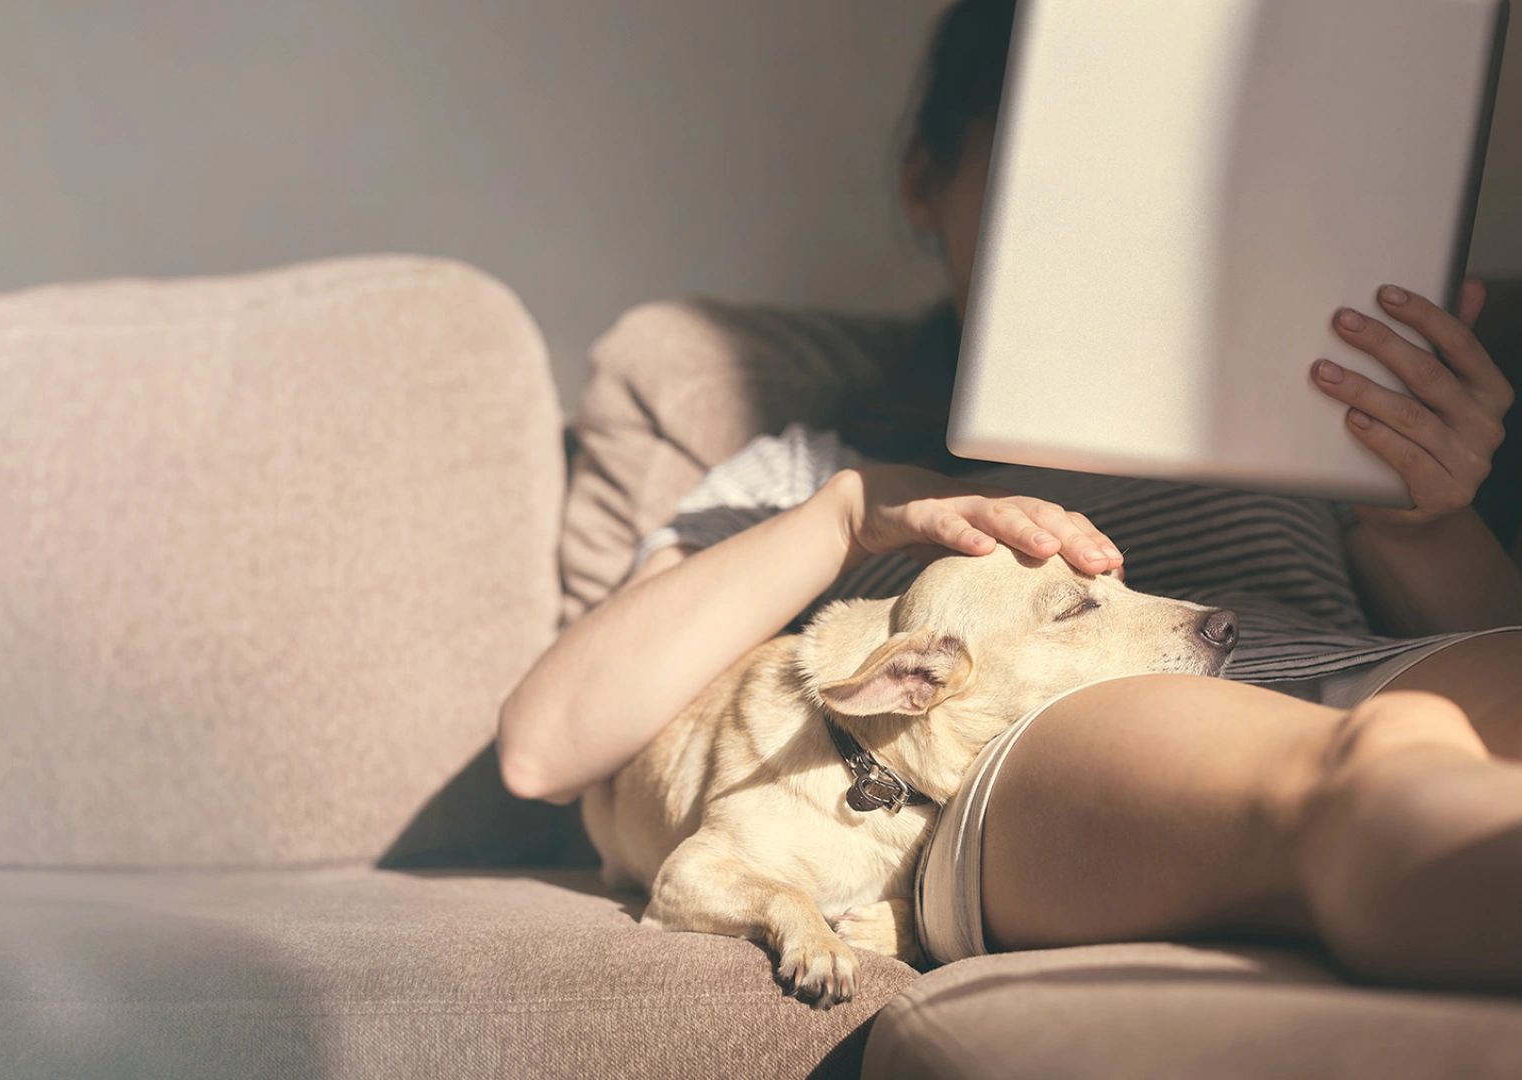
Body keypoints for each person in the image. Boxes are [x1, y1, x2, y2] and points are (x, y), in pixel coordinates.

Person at [497, 0, 1522, 988]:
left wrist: (1420, 514)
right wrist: (850, 518)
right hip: (1068, 743)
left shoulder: (1303, 427)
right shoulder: (808, 474)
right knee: (1374, 784)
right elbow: (546, 746)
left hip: (1378, 672)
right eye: (1046, 173)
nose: (1098, 220)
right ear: (925, 181)